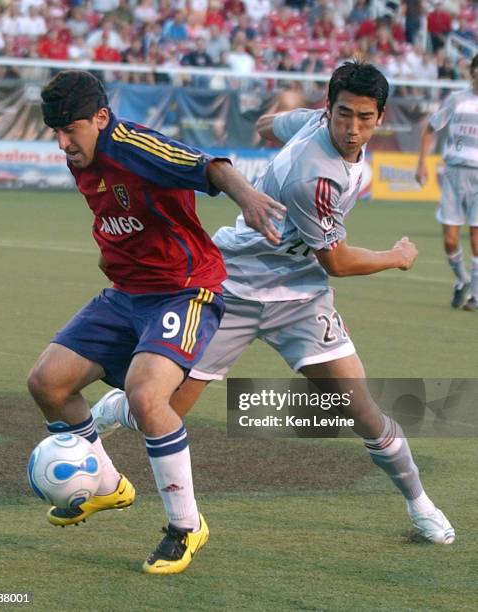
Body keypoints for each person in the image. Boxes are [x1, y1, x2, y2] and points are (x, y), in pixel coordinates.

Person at [93, 61, 456, 546]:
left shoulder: (312, 120)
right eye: (343, 115)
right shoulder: (316, 178)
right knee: (154, 411)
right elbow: (338, 262)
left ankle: (421, 505)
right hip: (232, 288)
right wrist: (397, 256)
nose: (351, 129)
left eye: (363, 118)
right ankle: (123, 407)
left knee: (361, 409)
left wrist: (276, 127)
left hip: (300, 299)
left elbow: (270, 125)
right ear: (329, 109)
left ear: (380, 116)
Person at [27, 70, 285, 576]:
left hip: (186, 289)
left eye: (71, 130)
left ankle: (186, 527)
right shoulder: (81, 153)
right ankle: (105, 484)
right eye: (55, 132)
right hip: (127, 293)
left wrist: (248, 199)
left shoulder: (134, 145)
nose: (62, 142)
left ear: (101, 118)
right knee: (47, 383)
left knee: (148, 398)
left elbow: (209, 165)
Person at [416, 53, 478, 311]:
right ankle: (462, 280)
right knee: (450, 240)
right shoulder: (457, 100)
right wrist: (421, 163)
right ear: (472, 72)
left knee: (476, 236)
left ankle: (475, 295)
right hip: (454, 174)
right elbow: (431, 128)